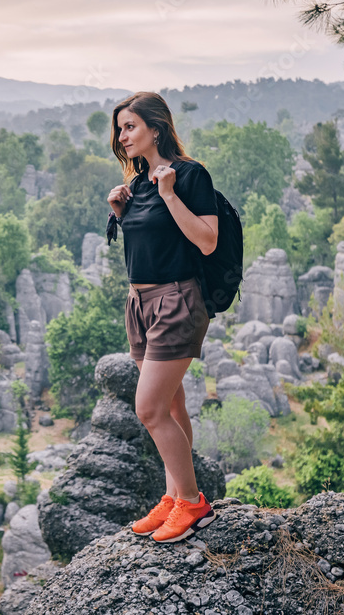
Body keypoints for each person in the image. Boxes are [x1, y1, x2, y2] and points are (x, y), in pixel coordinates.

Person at [106, 91, 218, 543]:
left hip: (176, 301)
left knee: (148, 408)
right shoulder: (135, 183)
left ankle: (193, 504)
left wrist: (169, 194)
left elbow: (206, 240)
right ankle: (174, 497)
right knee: (172, 406)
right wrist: (122, 212)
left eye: (129, 126)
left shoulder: (188, 176)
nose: (122, 136)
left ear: (156, 128)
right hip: (140, 305)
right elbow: (150, 243)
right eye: (119, 128)